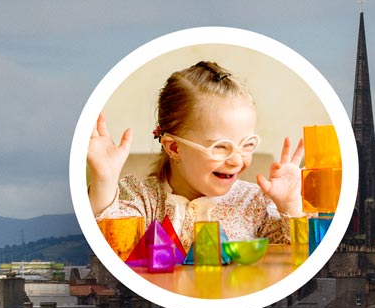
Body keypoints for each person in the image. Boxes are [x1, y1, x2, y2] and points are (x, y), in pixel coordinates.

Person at [87, 60, 306, 244]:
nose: (237, 160)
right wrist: (104, 181)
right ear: (174, 147)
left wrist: (290, 207)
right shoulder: (141, 199)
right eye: (220, 147)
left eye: (247, 144)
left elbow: (296, 257)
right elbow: (109, 244)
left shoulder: (255, 202)